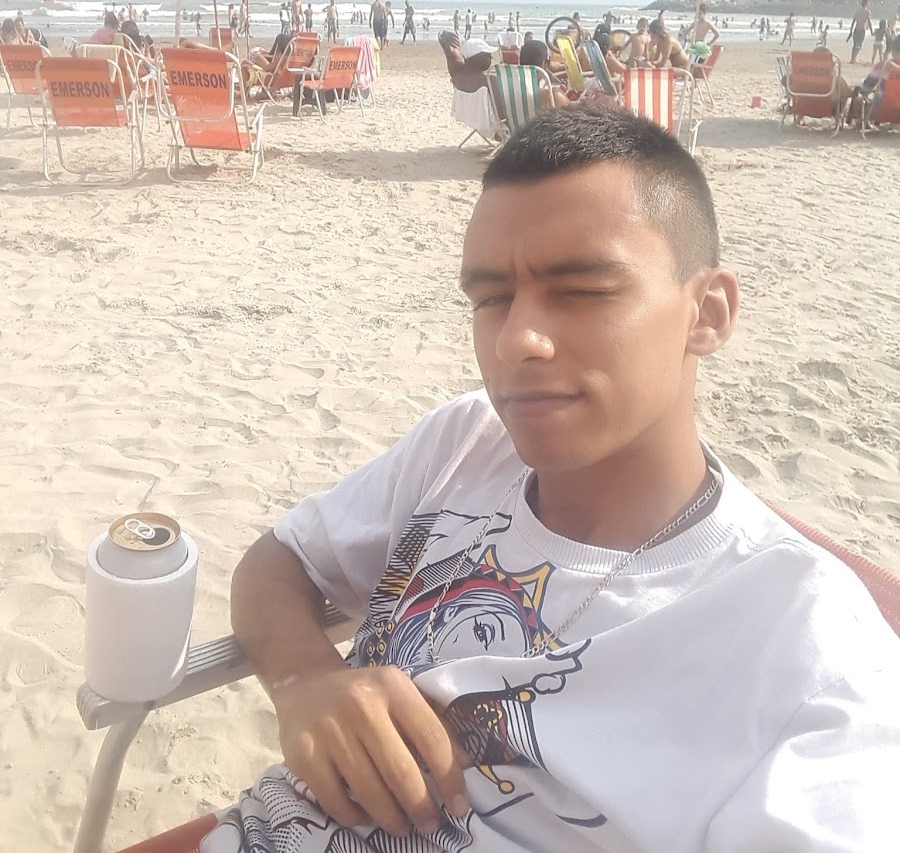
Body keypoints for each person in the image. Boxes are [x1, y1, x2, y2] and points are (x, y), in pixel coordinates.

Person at [213, 102, 900, 853]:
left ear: (706, 313)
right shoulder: (466, 442)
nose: (517, 340)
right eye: (491, 299)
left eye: (581, 291)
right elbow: (280, 559)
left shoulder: (806, 648)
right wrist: (304, 680)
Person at [518, 39, 570, 108]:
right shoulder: (553, 96)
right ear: (543, 63)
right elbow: (573, 112)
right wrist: (563, 95)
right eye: (548, 62)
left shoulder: (507, 92)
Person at [848, 0, 873, 64]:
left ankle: (852, 58)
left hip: (856, 29)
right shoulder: (867, 12)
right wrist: (871, 31)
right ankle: (854, 59)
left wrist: (851, 30)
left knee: (855, 44)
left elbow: (853, 21)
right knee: (859, 44)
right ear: (867, 4)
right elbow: (869, 22)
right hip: (862, 30)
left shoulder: (857, 11)